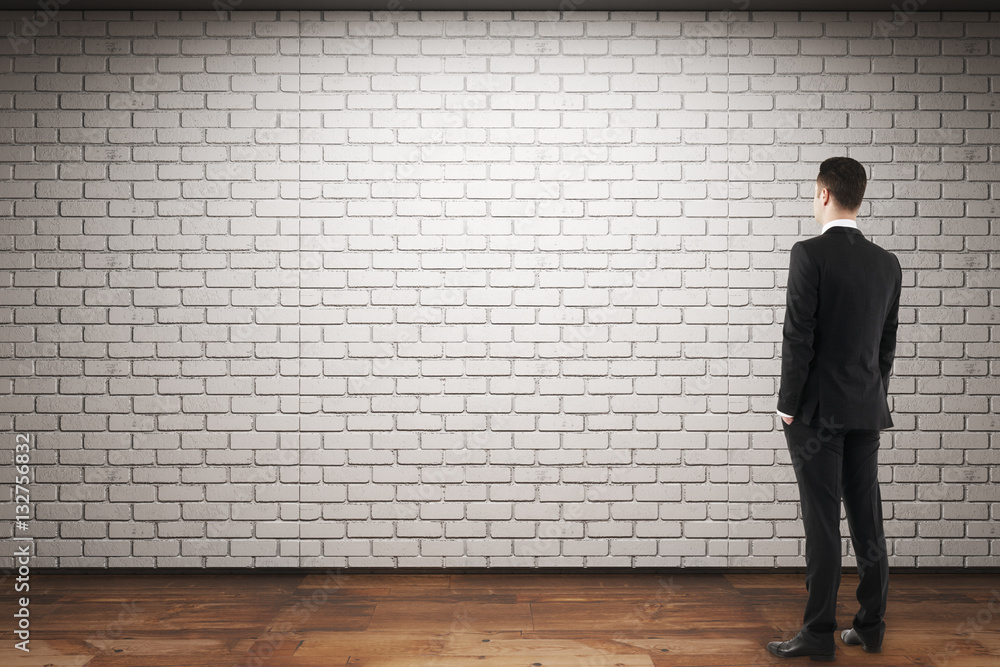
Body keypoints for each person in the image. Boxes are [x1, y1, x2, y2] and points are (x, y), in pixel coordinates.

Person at [767, 157, 901, 661]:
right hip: (867, 407)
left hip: (816, 413)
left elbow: (797, 336)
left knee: (821, 521)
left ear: (823, 194)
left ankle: (819, 633)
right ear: (858, 197)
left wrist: (787, 405)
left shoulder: (809, 254)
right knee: (867, 518)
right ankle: (871, 626)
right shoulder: (887, 263)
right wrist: (873, 393)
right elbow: (886, 345)